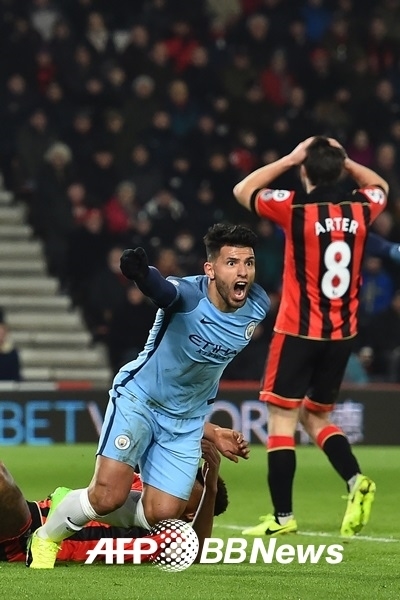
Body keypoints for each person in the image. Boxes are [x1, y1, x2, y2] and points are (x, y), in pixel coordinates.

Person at [29, 223, 269, 568]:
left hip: (185, 421)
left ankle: (78, 501)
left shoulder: (258, 304)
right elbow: (162, 291)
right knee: (107, 498)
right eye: (232, 262)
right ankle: (46, 537)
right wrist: (142, 276)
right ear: (210, 269)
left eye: (249, 263)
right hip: (140, 400)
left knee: (162, 515)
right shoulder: (187, 295)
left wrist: (210, 430)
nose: (243, 271)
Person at [233, 136, 389, 537]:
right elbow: (382, 186)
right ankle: (356, 480)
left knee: (281, 418)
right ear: (339, 170)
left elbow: (243, 190)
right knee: (315, 414)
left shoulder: (295, 208)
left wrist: (289, 156)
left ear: (305, 171)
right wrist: (349, 161)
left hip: (299, 330)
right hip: (342, 333)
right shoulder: (361, 207)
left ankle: (283, 518)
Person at [0, 438, 228, 564]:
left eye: (185, 493)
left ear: (191, 515)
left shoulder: (170, 537)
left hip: (27, 544)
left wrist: (211, 490)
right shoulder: (142, 486)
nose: (173, 491)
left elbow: (197, 552)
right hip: (34, 520)